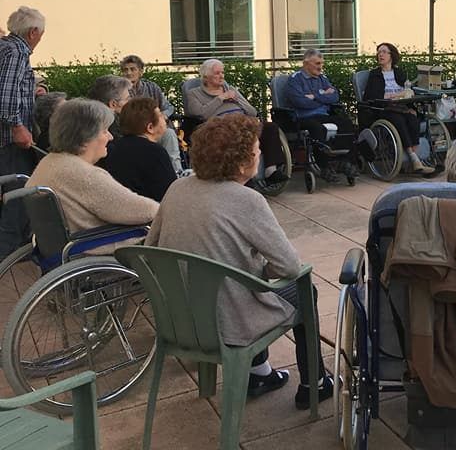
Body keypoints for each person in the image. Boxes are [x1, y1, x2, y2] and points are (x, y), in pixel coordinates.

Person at [145, 114, 333, 409]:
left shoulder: (176, 189)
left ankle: (259, 374)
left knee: (239, 284)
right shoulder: (246, 200)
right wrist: (257, 271)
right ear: (243, 161)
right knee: (304, 290)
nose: (260, 153)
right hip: (228, 322)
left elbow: (151, 246)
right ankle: (315, 384)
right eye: (258, 149)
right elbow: (290, 267)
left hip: (180, 319)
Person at [25, 99, 158, 252]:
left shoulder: (50, 162)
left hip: (63, 251)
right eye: (104, 131)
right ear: (86, 137)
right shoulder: (82, 174)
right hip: (96, 253)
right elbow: (143, 210)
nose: (110, 137)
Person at [185, 59, 287, 183]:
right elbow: (200, 113)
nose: (221, 76)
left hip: (243, 122)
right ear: (206, 77)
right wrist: (220, 98)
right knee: (236, 135)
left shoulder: (230, 89)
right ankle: (243, 175)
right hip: (220, 127)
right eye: (217, 73)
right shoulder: (194, 94)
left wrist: (237, 99)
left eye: (222, 72)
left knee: (270, 128)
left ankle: (270, 171)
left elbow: (252, 112)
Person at [284, 49, 376, 165]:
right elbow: (301, 103)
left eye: (322, 63)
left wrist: (315, 96)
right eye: (317, 63)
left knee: (346, 123)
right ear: (306, 64)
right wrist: (323, 97)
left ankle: (347, 162)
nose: (320, 67)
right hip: (304, 117)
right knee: (318, 128)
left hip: (324, 115)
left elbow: (335, 97)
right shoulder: (294, 80)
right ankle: (325, 166)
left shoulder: (323, 78)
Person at [362, 42, 435, 175]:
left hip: (401, 107)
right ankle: (414, 159)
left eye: (384, 52)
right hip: (384, 109)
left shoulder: (399, 73)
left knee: (413, 119)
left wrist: (409, 105)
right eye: (379, 52)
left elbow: (408, 90)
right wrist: (395, 95)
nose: (380, 55)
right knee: (399, 120)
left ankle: (414, 159)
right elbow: (372, 96)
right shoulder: (375, 74)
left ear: (391, 55)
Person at [100, 97, 177, 202]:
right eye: (160, 115)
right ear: (150, 127)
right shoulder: (155, 152)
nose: (165, 118)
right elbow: (170, 194)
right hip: (149, 213)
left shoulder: (113, 148)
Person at [0, 6, 44, 175]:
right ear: (33, 32)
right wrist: (18, 128)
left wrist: (29, 92)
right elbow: (5, 96)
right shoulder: (17, 52)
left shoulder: (4, 46)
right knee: (16, 193)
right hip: (9, 141)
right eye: (41, 34)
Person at [120, 54, 182, 172]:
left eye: (133, 69)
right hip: (134, 133)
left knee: (169, 133)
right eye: (125, 70)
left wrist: (163, 115)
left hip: (154, 130)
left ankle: (176, 172)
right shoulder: (120, 91)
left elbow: (168, 107)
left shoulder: (152, 87)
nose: (128, 73)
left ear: (141, 72)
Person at [89, 75, 132, 140]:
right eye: (127, 99)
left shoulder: (87, 121)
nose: (130, 101)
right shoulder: (113, 130)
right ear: (113, 104)